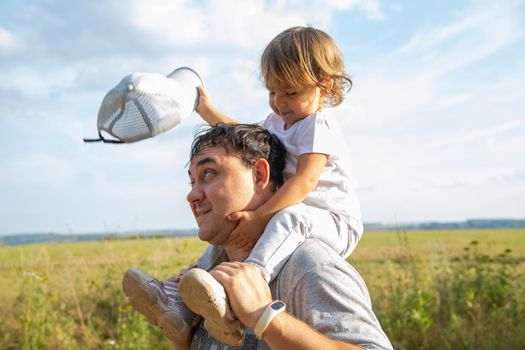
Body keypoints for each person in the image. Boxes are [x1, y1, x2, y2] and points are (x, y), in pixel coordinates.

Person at [124, 25, 364, 345]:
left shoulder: (318, 125)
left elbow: (305, 181)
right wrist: (205, 109)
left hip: (331, 219)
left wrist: (261, 216)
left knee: (290, 216)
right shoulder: (278, 121)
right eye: (272, 92)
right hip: (289, 213)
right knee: (228, 227)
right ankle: (180, 294)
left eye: (290, 92)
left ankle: (250, 281)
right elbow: (242, 139)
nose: (278, 103)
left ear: (326, 84)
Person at [125, 123, 392, 349]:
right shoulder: (205, 281)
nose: (192, 195)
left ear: (260, 175)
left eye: (208, 174)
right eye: (192, 181)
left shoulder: (308, 268)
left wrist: (267, 319)